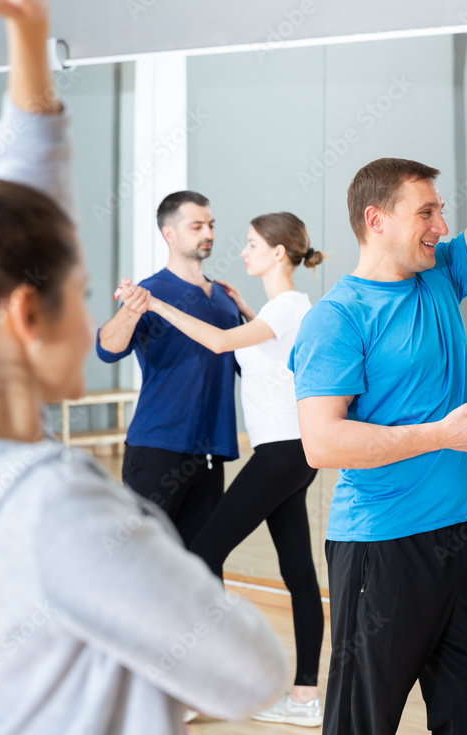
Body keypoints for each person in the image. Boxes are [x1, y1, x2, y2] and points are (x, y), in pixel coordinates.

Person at [0, 3, 287, 733]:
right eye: (82, 297)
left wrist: (25, 26)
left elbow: (24, 222)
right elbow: (252, 670)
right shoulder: (58, 509)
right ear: (26, 315)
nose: (90, 324)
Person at [289, 43, 467, 735]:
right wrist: (444, 434)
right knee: (361, 721)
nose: (442, 225)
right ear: (375, 219)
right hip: (381, 548)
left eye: (442, 211)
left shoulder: (441, 271)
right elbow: (322, 443)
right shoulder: (338, 318)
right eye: (426, 212)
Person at [116, 212, 325, 727]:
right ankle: (304, 698)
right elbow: (269, 354)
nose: (243, 251)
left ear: (279, 253)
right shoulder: (279, 310)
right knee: (298, 572)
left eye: (252, 244)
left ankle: (206, 682)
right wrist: (242, 305)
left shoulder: (292, 306)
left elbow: (218, 343)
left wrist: (154, 302)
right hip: (290, 455)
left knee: (201, 554)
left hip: (280, 456)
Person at [97, 190, 243, 546]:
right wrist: (132, 310)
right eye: (196, 226)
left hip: (210, 452)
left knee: (205, 566)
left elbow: (246, 364)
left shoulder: (225, 298)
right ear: (170, 234)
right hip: (157, 448)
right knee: (144, 561)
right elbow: (107, 349)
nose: (208, 233)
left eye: (210, 224)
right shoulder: (149, 292)